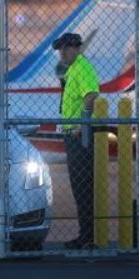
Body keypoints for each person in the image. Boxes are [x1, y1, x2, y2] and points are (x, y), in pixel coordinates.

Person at [52, 32, 99, 249]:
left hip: (79, 136)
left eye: (66, 48)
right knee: (79, 187)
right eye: (60, 48)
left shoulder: (82, 68)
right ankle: (86, 235)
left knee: (82, 187)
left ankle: (87, 237)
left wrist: (83, 123)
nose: (62, 52)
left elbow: (91, 94)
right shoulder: (72, 69)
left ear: (77, 48)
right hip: (72, 134)